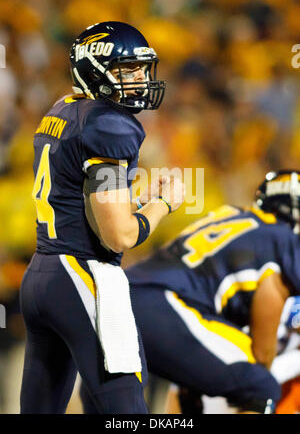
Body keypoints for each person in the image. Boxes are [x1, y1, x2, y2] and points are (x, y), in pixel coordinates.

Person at [19, 21, 185, 414]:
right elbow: (119, 237)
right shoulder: (109, 123)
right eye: (128, 70)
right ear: (94, 70)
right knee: (127, 412)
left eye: (143, 69)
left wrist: (135, 196)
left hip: (42, 277)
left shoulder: (64, 109)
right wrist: (164, 204)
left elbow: (81, 192)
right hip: (84, 276)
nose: (141, 80)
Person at [79, 170, 300, 414]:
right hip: (164, 305)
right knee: (260, 386)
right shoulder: (283, 239)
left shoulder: (231, 215)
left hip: (118, 296)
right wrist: (260, 372)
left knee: (177, 395)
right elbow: (263, 342)